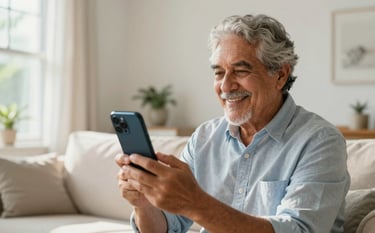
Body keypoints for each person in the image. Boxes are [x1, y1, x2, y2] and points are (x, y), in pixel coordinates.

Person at [116, 14, 350, 233]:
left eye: (240, 71)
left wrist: (194, 202)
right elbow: (169, 226)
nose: (226, 86)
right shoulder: (205, 137)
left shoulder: (320, 141)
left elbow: (298, 230)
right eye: (219, 73)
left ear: (280, 75)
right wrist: (144, 205)